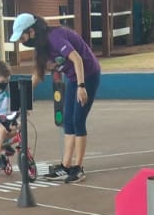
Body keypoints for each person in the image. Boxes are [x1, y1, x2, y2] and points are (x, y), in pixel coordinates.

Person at [10, 12, 99, 183]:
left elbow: (77, 59)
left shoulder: (54, 37)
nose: (22, 42)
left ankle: (78, 168)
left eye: (22, 37)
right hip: (74, 78)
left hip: (88, 75)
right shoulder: (41, 47)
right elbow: (38, 75)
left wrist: (82, 87)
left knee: (78, 120)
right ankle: (65, 165)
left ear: (32, 31)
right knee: (68, 119)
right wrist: (25, 98)